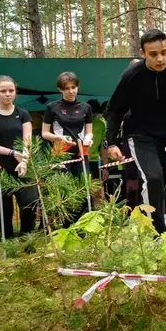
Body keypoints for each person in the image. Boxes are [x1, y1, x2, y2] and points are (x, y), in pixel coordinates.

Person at [105, 29, 166, 234]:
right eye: (153, 54)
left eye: (164, 52)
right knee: (153, 178)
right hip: (139, 135)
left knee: (160, 183)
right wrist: (111, 142)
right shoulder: (131, 76)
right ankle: (157, 234)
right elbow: (114, 110)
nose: (160, 58)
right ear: (142, 53)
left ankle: (152, 223)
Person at [0, 76, 35, 238]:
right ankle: (8, 240)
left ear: (16, 93)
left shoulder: (23, 114)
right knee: (4, 207)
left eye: (11, 91)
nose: (7, 94)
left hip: (22, 166)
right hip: (0, 167)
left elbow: (28, 141)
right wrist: (12, 153)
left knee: (30, 202)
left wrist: (24, 160)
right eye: (3, 91)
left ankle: (26, 238)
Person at [41, 72, 94, 223]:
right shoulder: (52, 107)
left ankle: (84, 223)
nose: (71, 91)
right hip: (61, 151)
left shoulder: (86, 107)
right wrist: (58, 137)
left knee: (84, 188)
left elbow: (89, 133)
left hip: (81, 151)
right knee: (65, 188)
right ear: (60, 89)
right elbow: (45, 133)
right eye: (67, 88)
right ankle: (66, 224)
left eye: (74, 87)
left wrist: (89, 139)